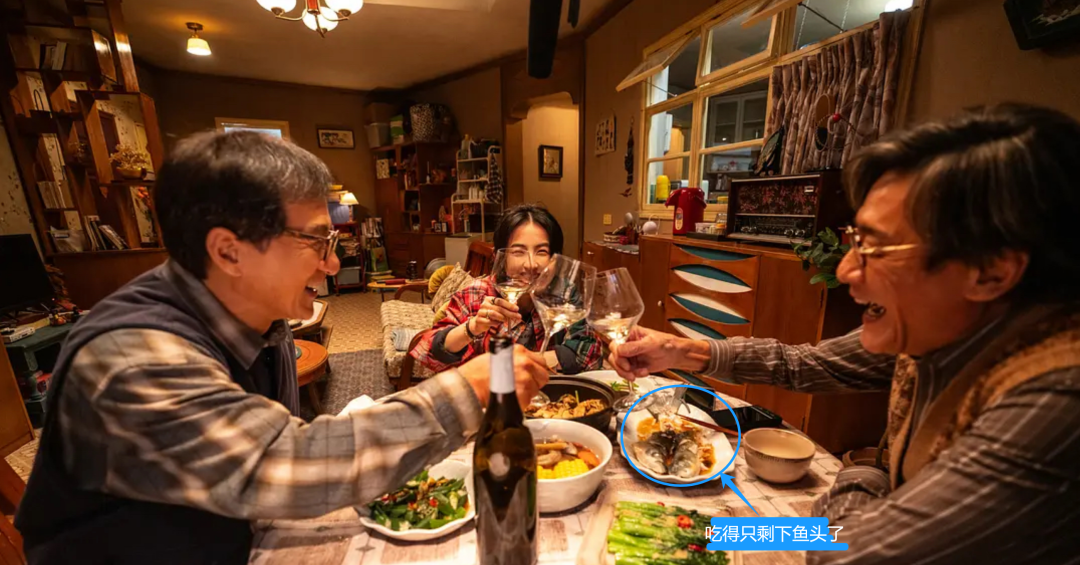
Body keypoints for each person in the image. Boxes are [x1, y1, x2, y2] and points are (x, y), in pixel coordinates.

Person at [14, 131, 550, 564]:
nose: (333, 264)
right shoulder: (131, 356)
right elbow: (281, 462)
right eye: (316, 241)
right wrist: (465, 391)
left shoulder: (263, 319)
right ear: (228, 252)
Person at [608, 104, 1080, 564]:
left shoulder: (1054, 398)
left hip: (851, 535)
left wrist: (865, 474)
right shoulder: (949, 329)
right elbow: (804, 364)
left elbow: (844, 552)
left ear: (991, 272)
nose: (846, 270)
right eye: (855, 239)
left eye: (875, 247)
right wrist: (678, 349)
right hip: (856, 527)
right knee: (701, 532)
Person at [412, 204, 604, 374]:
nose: (531, 264)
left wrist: (521, 362)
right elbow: (430, 351)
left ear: (555, 259)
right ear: (500, 258)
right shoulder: (477, 293)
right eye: (518, 252)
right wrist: (472, 327)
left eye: (542, 251)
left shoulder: (563, 294)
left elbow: (590, 353)